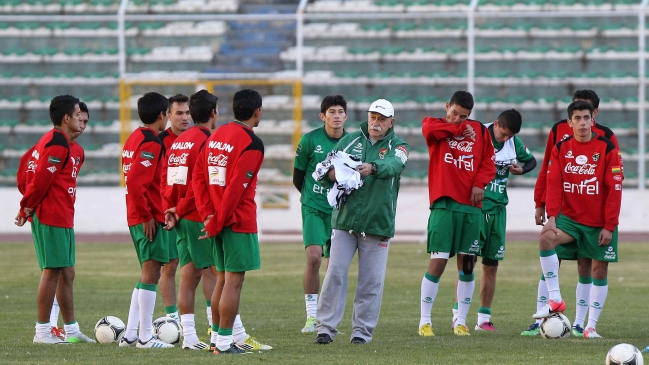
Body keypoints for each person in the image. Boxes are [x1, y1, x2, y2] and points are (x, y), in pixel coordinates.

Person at [523, 89, 623, 337]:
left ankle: (589, 326)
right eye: (576, 118)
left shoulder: (607, 147)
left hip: (598, 221)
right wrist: (551, 215)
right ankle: (555, 300)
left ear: (593, 119)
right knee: (546, 237)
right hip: (569, 219)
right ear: (569, 122)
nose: (581, 122)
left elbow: (615, 189)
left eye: (585, 117)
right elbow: (554, 182)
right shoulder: (561, 146)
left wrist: (609, 225)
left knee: (597, 270)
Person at [314, 98, 409, 345]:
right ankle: (325, 328)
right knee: (334, 274)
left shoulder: (400, 146)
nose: (376, 123)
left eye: (381, 119)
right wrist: (331, 174)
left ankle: (361, 332)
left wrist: (373, 168)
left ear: (392, 122)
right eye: (373, 117)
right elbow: (324, 168)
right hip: (345, 221)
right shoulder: (350, 140)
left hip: (378, 224)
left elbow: (395, 165)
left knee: (371, 282)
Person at [15, 95, 94, 344]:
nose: (82, 119)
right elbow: (36, 178)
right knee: (51, 273)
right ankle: (42, 332)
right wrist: (26, 205)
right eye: (78, 113)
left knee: (67, 273)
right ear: (66, 118)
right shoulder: (56, 142)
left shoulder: (65, 145)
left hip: (63, 215)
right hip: (50, 215)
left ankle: (71, 331)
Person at [192, 89, 265, 355]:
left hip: (217, 219)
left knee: (222, 280)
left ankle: (217, 341)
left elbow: (198, 177)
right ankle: (223, 342)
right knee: (233, 282)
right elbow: (236, 190)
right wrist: (216, 221)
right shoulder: (252, 143)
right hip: (237, 221)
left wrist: (208, 215)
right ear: (257, 111)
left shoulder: (215, 136)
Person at [418, 91, 496, 337]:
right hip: (444, 205)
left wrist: (479, 184)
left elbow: (489, 161)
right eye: (454, 113)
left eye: (463, 116)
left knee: (468, 266)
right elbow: (429, 132)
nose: (457, 118)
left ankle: (460, 321)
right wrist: (457, 129)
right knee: (438, 262)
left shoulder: (480, 132)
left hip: (471, 208)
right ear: (447, 106)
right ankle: (424, 321)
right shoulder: (436, 125)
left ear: (470, 114)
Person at [451, 109, 536, 332]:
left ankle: (483, 319)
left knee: (491, 265)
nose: (506, 139)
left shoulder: (513, 143)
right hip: (475, 209)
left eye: (510, 136)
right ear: (496, 124)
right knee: (467, 263)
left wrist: (521, 169)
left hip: (498, 211)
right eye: (503, 134)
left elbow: (532, 161)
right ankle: (458, 314)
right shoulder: (476, 134)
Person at [119, 92, 174, 349]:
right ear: (162, 115)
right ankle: (145, 337)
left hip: (138, 215)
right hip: (147, 217)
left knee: (146, 274)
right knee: (151, 274)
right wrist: (147, 216)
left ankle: (131, 334)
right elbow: (137, 181)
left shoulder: (134, 138)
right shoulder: (152, 141)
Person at [293, 95, 348, 333]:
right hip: (314, 207)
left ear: (346, 116)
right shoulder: (309, 140)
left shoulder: (352, 142)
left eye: (340, 112)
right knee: (314, 257)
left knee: (334, 266)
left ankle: (328, 319)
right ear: (322, 116)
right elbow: (298, 177)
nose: (336, 116)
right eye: (331, 112)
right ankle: (311, 316)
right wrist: (313, 197)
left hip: (339, 211)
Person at [158, 93, 192, 322]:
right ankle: (172, 319)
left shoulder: (199, 139)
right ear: (168, 115)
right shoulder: (160, 142)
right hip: (168, 213)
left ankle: (213, 321)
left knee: (204, 268)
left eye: (188, 112)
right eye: (179, 113)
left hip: (192, 212)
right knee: (169, 266)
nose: (185, 117)